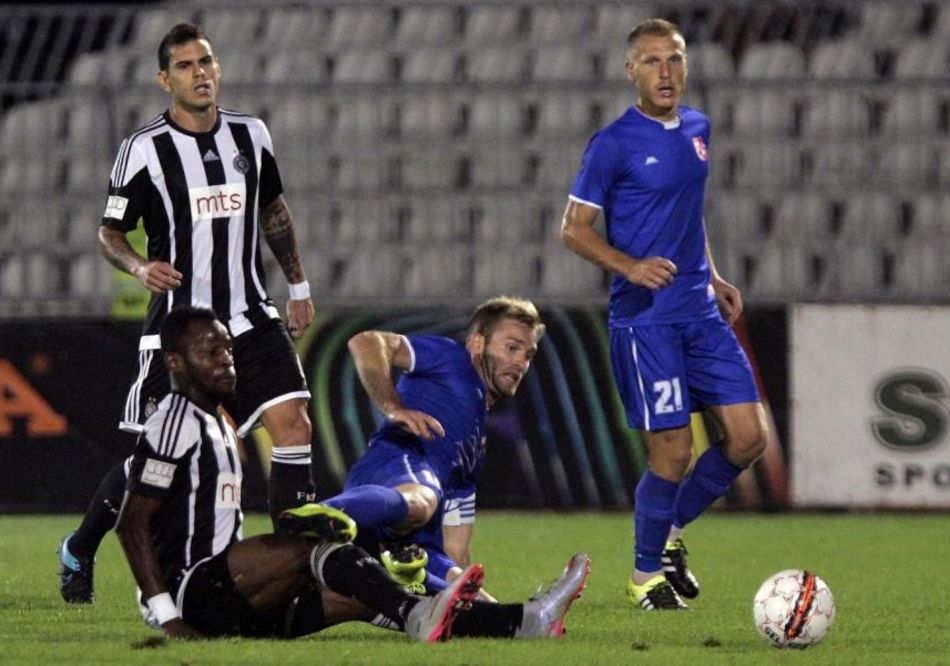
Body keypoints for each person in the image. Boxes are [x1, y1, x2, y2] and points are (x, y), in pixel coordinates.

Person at [117, 305, 589, 641]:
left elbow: (457, 548)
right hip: (194, 592)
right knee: (322, 541)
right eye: (210, 352)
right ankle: (322, 518)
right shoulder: (175, 419)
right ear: (174, 363)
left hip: (241, 603)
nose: (225, 359)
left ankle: (526, 620)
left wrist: (462, 585)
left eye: (227, 349)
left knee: (380, 597)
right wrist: (164, 614)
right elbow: (131, 520)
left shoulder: (220, 423)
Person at [59, 22, 318, 604]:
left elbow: (273, 209)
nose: (200, 72)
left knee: (294, 425)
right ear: (163, 80)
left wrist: (298, 284)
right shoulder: (143, 149)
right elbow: (109, 231)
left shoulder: (252, 135)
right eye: (185, 65)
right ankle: (80, 547)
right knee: (149, 461)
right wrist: (136, 267)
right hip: (182, 326)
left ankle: (297, 567)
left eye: (206, 61)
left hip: (250, 314)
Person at [560, 19, 768, 611]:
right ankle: (644, 574)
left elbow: (687, 212)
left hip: (700, 310)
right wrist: (628, 267)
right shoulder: (612, 144)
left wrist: (716, 273)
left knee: (749, 438)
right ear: (631, 71)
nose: (666, 72)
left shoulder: (699, 127)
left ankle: (669, 533)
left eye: (674, 60)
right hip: (645, 320)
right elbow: (572, 230)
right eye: (652, 62)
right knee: (673, 452)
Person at [312, 296, 546, 597]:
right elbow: (367, 342)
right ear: (477, 344)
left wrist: (474, 596)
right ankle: (323, 513)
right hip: (394, 467)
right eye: (511, 348)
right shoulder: (452, 358)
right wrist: (392, 407)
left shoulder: (475, 446)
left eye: (528, 355)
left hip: (402, 532)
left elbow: (456, 549)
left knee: (469, 592)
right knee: (422, 502)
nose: (520, 362)